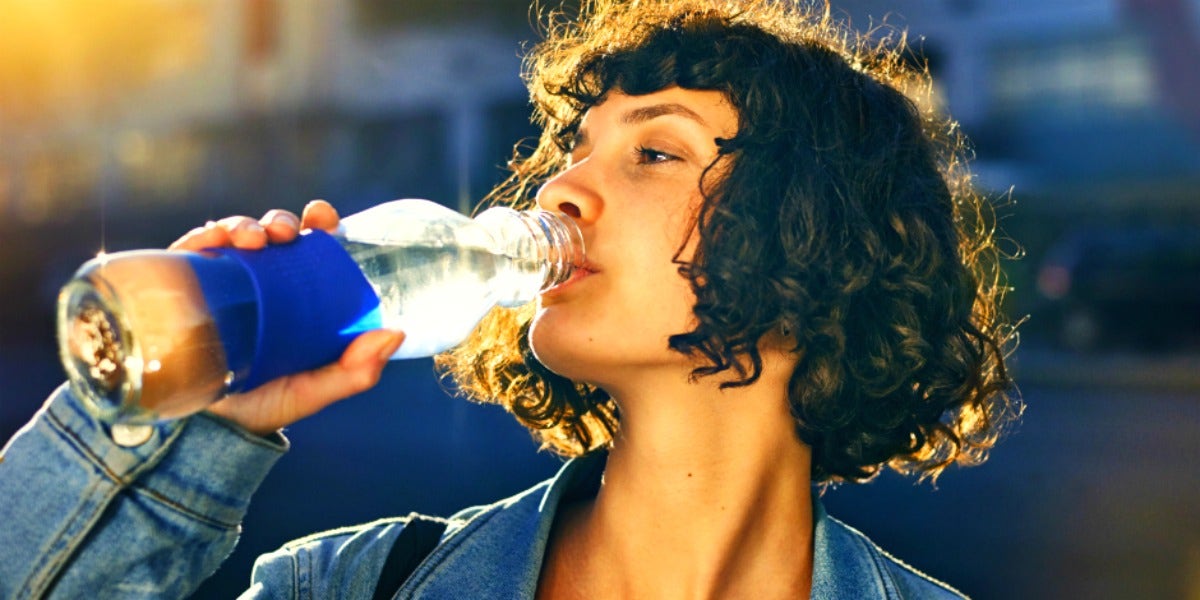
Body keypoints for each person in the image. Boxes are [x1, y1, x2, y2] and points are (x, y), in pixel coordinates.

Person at [0, 0, 1020, 597]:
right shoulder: (359, 584)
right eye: (571, 152)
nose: (560, 189)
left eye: (656, 152)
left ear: (818, 243)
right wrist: (198, 429)